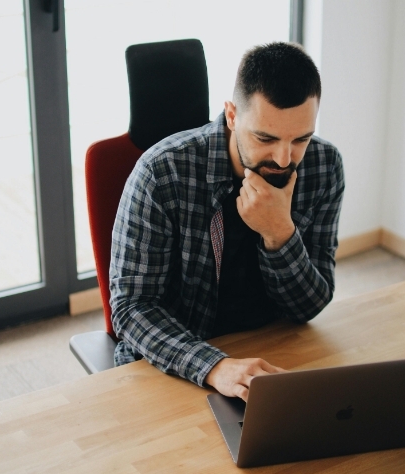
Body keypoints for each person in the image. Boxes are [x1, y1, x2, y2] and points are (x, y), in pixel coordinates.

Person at [110, 41, 345, 401]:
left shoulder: (324, 166)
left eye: (301, 138)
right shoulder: (162, 172)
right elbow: (131, 309)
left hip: (268, 353)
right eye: (265, 137)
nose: (284, 159)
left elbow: (309, 307)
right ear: (232, 115)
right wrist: (214, 366)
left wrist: (279, 232)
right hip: (174, 363)